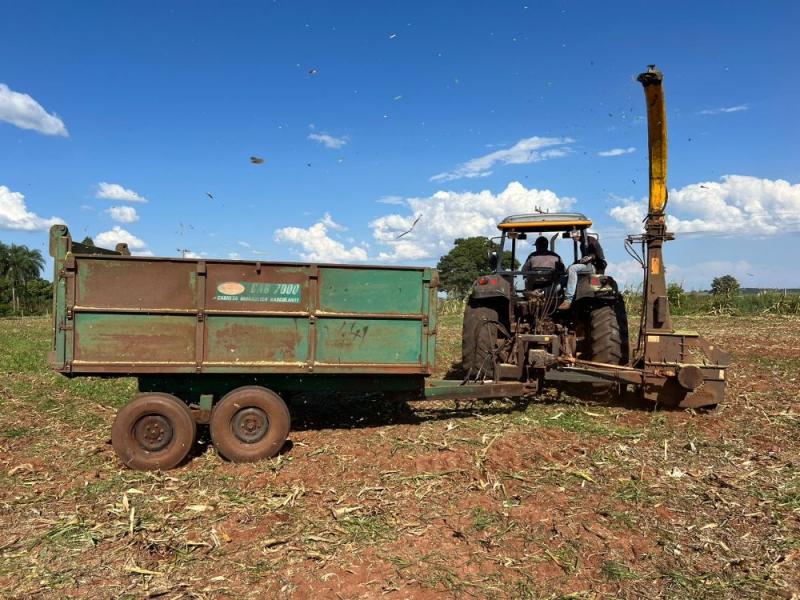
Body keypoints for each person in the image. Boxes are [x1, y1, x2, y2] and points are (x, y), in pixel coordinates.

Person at [558, 232, 606, 310]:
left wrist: (588, 258)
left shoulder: (590, 240)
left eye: (574, 235)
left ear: (579, 233)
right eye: (572, 236)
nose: (573, 237)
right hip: (587, 265)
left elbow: (594, 255)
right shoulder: (582, 244)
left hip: (593, 266)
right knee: (564, 277)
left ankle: (568, 300)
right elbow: (584, 258)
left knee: (572, 268)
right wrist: (576, 262)